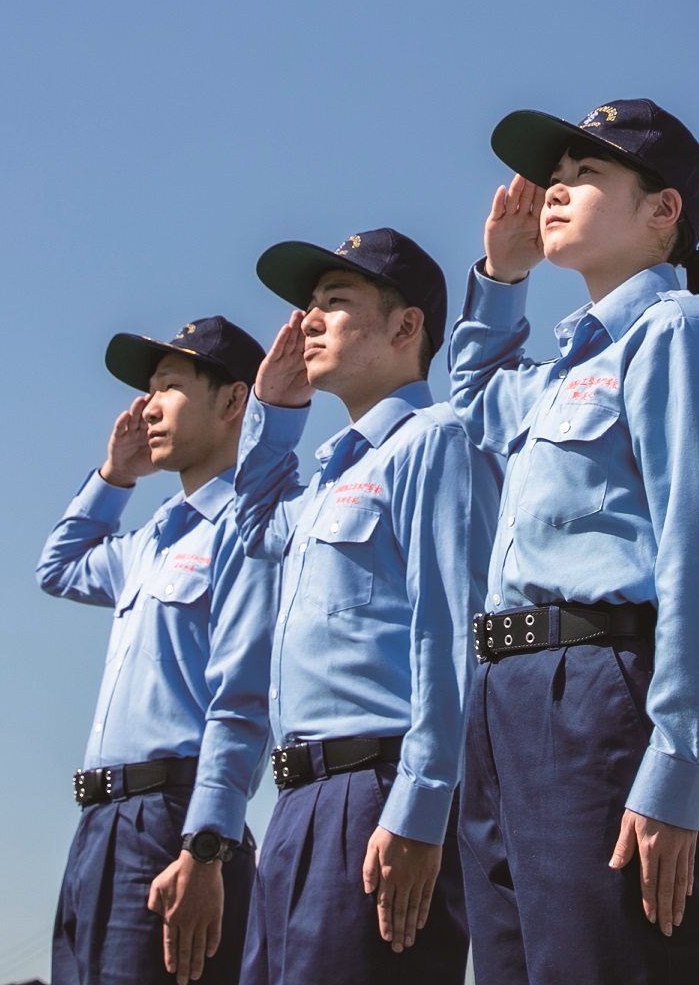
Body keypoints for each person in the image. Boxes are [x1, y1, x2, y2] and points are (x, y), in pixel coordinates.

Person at [448, 99, 699, 984]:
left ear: (663, 212)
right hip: (506, 699)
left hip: (595, 694)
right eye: (556, 174)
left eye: (588, 173)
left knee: (606, 961)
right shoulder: (561, 372)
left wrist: (678, 765)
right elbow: (475, 402)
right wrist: (500, 279)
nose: (557, 189)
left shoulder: (678, 334)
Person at [228, 228, 477, 985]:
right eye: (309, 306)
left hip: (376, 795)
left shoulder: (435, 441)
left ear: (407, 328)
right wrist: (272, 413)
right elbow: (253, 531)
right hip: (299, 801)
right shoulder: (328, 476)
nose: (308, 319)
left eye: (336, 302)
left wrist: (422, 805)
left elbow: (452, 632)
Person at [38, 315, 276, 985]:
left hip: (171, 822)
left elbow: (244, 699)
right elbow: (57, 568)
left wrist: (206, 845)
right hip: (99, 825)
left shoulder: (246, 530)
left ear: (233, 402)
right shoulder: (149, 540)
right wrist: (115, 477)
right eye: (149, 390)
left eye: (171, 386)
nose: (148, 406)